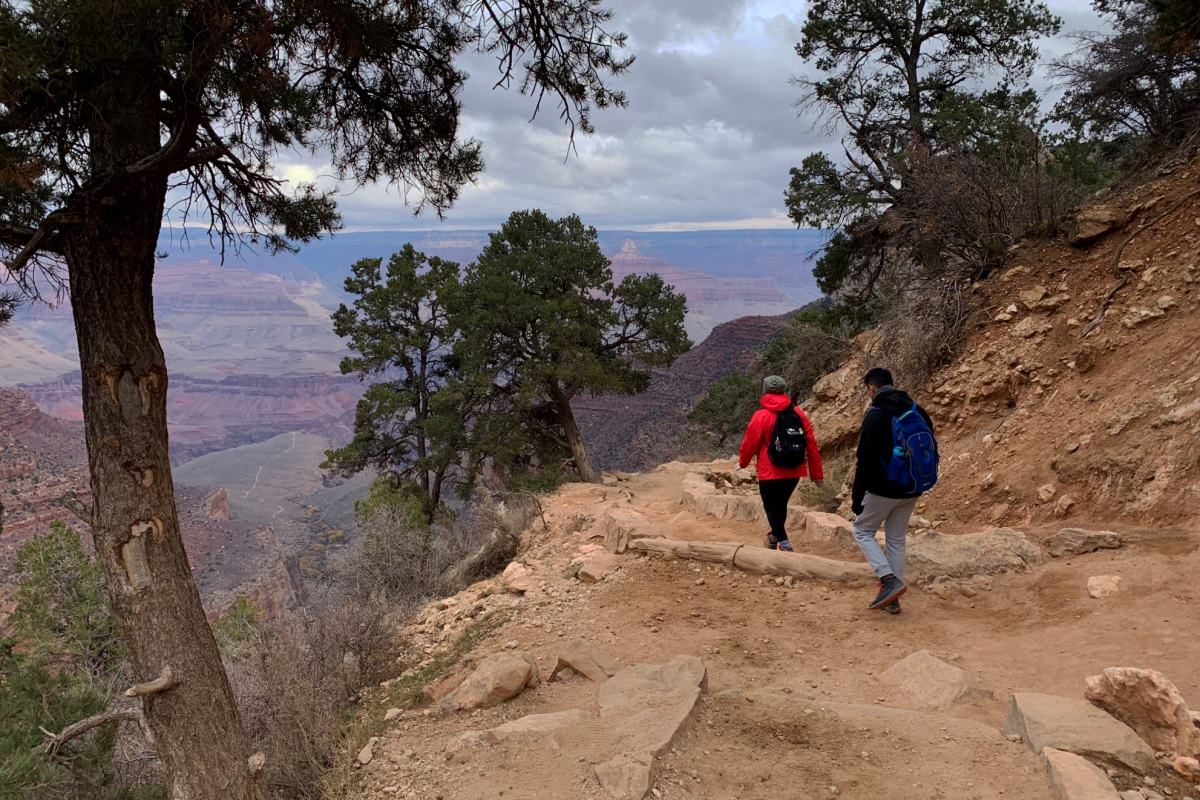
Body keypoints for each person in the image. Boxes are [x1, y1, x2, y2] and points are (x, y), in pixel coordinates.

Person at [850, 367, 937, 614]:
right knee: (896, 539)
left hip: (882, 488)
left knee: (862, 530)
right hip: (912, 486)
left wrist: (857, 498)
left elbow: (864, 461)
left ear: (872, 388)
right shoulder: (916, 409)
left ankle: (888, 581)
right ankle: (893, 598)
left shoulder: (876, 415)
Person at [738, 375, 824, 552]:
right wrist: (816, 474)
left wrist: (743, 462)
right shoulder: (798, 413)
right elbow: (811, 443)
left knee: (771, 507)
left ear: (764, 391)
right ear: (784, 391)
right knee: (780, 506)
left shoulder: (761, 416)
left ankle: (784, 542)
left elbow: (749, 443)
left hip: (769, 470)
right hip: (793, 470)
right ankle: (773, 537)